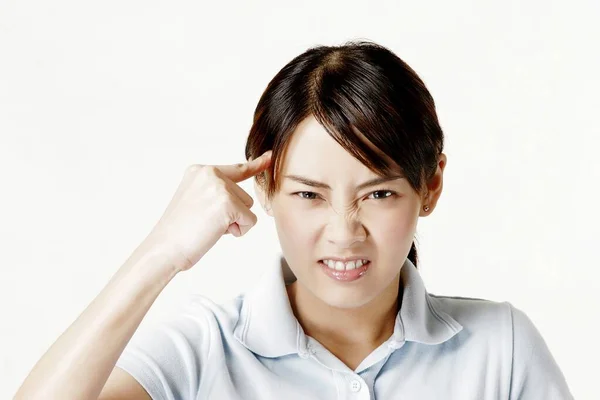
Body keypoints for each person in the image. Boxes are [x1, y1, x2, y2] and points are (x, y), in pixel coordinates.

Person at [14, 41, 573, 400]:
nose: (343, 232)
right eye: (309, 194)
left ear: (430, 186)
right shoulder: (202, 349)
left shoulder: (501, 348)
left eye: (377, 194)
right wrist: (161, 252)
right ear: (265, 187)